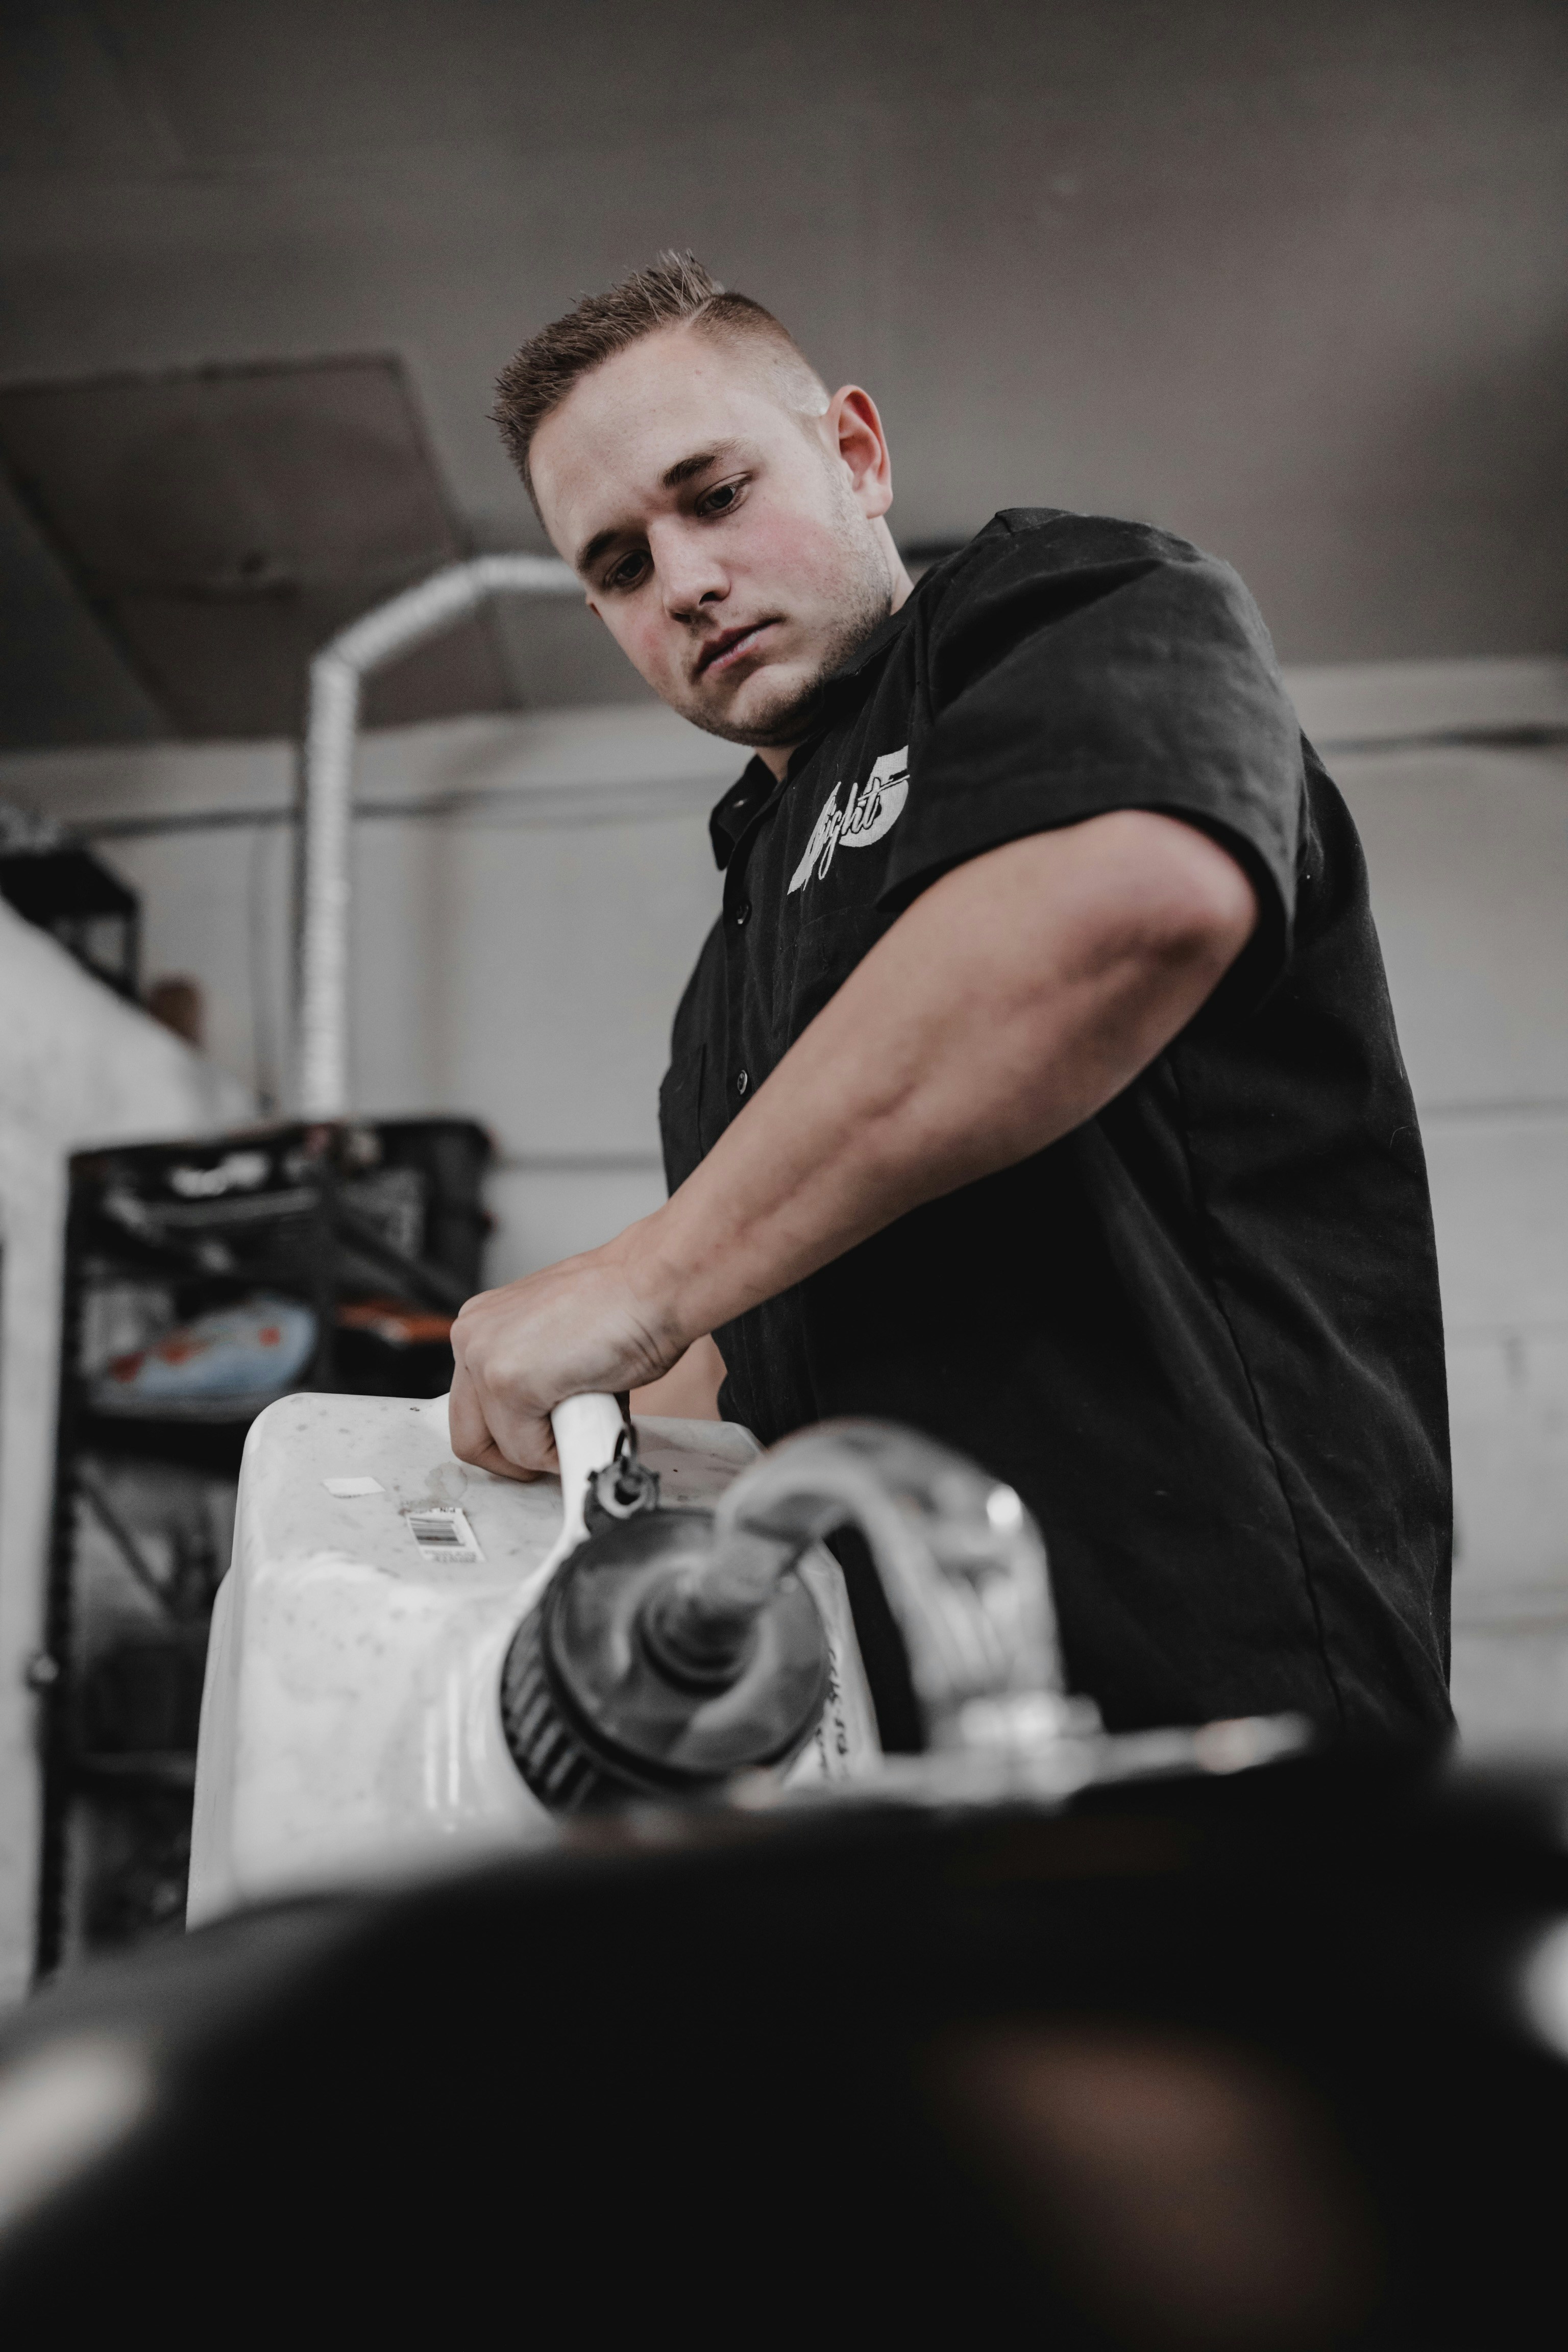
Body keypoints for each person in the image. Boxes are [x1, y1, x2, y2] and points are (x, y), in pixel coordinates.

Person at [451, 253, 1451, 1739]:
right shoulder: (726, 977)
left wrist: (643, 1276)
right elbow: (748, 1340)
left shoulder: (1060, 608)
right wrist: (490, 1451)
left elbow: (1128, 903)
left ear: (856, 452)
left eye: (714, 495)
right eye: (618, 566)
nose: (687, 583)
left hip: (1230, 1737)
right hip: (905, 1770)